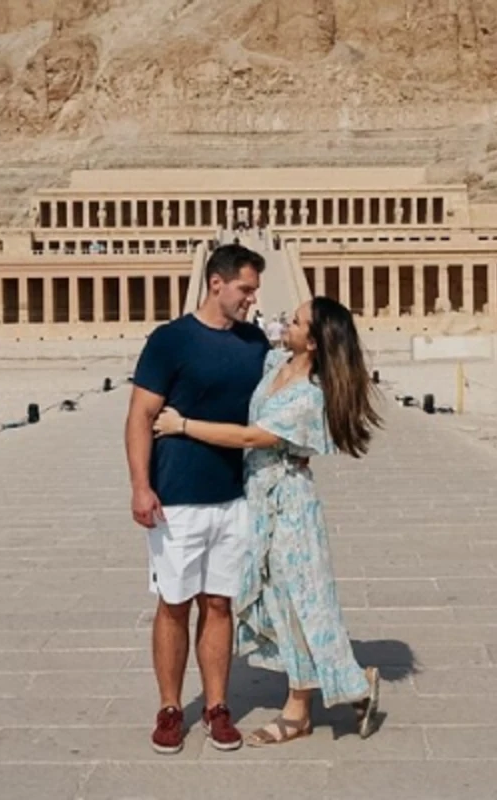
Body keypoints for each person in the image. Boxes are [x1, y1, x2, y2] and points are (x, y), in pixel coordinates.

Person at [153, 296, 385, 746]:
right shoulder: (277, 361)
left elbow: (249, 436)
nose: (285, 324)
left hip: (289, 504)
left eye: (295, 321)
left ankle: (298, 710)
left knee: (299, 600)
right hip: (257, 497)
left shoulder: (310, 394)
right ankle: (353, 681)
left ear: (314, 342)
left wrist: (182, 426)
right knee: (278, 599)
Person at [124, 244, 270, 755]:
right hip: (178, 497)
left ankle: (216, 705)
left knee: (220, 603)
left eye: (255, 290)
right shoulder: (171, 341)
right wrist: (141, 486)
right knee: (174, 603)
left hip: (234, 495)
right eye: (245, 289)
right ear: (216, 283)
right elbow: (140, 416)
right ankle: (169, 707)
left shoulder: (256, 344)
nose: (252, 299)